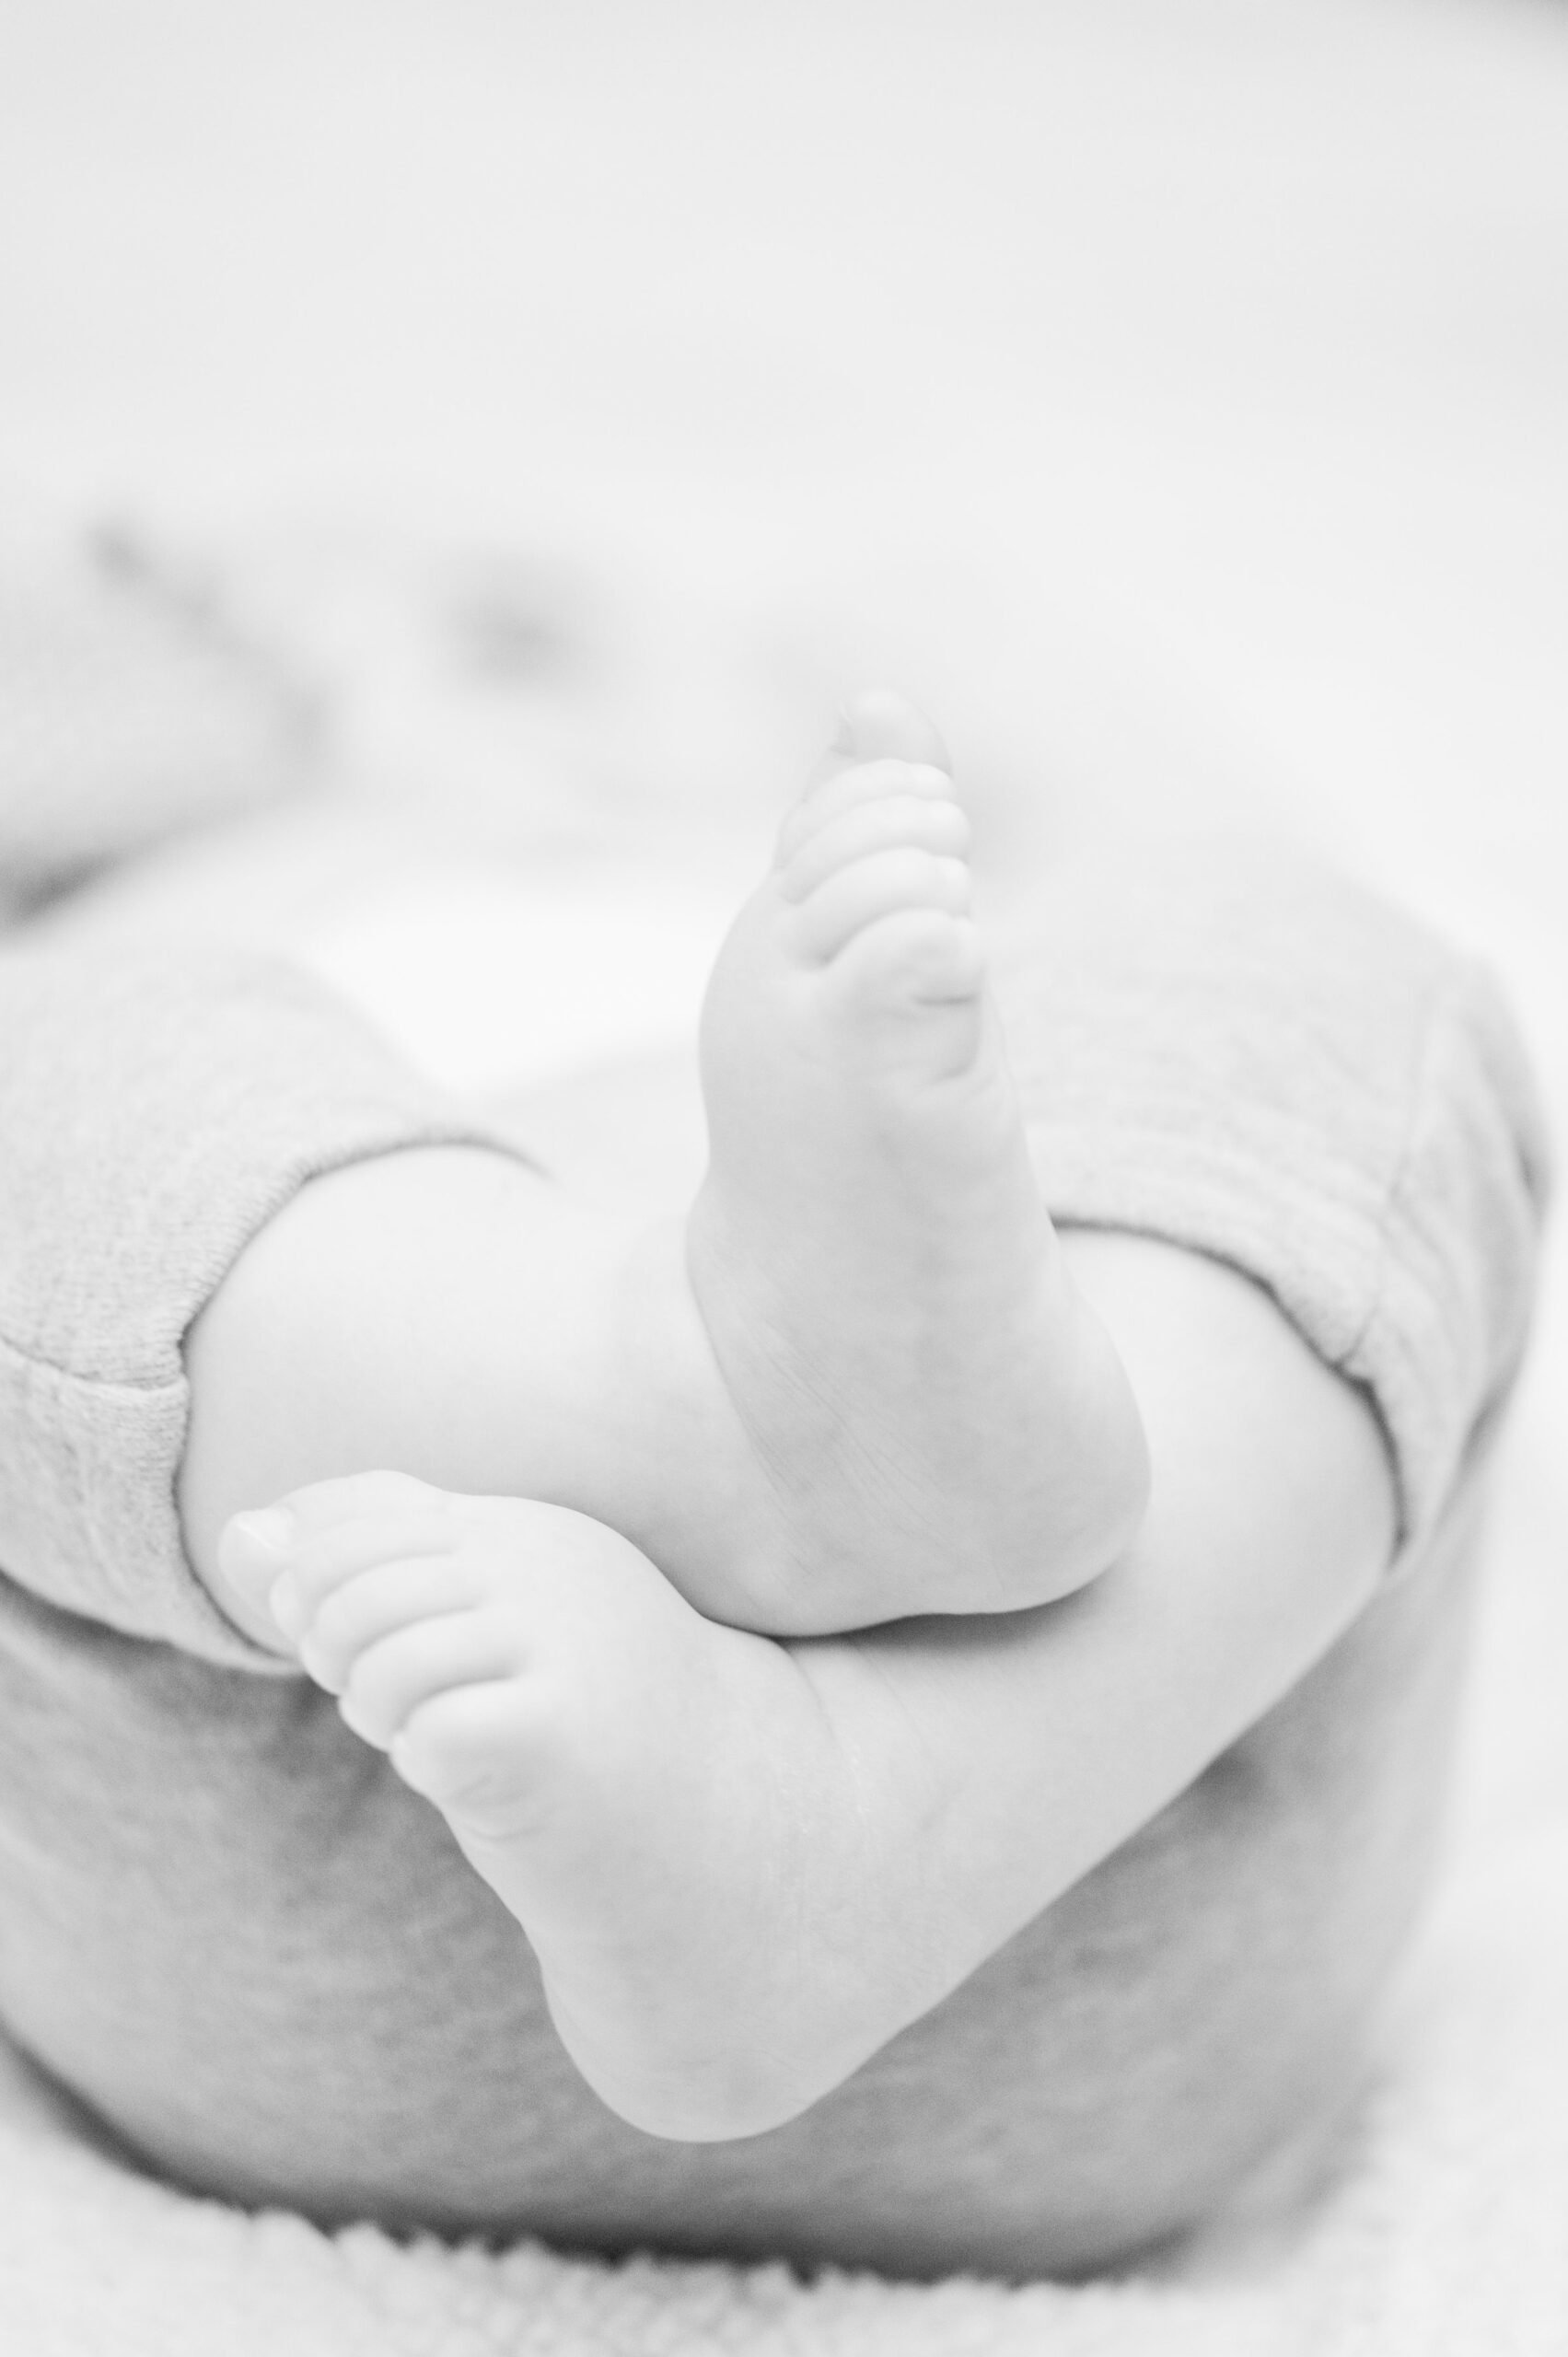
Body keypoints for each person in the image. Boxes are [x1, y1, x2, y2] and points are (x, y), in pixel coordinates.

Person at [0, 533, 1549, 2280]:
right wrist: (238, 634)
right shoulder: (239, 847)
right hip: (287, 1673)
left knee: (1291, 936)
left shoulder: (943, 927)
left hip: (1097, 1732)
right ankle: (661, 1410)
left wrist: (905, 695)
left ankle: (879, 1811)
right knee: (60, 1067)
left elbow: (1163, 817)